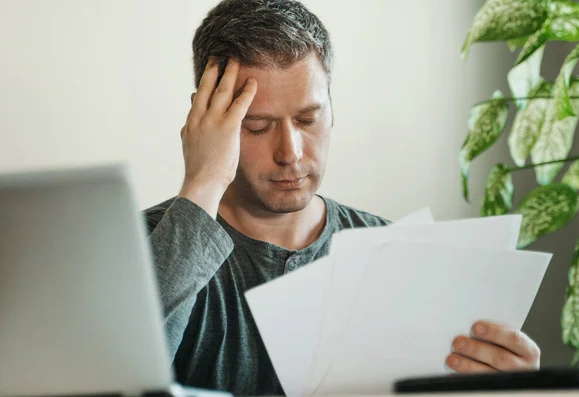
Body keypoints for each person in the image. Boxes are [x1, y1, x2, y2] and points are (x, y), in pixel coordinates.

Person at [144, 0, 541, 395]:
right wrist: (202, 183)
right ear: (207, 121)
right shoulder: (137, 250)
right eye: (258, 126)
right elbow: (110, 380)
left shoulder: (394, 252)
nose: (291, 152)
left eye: (307, 119)